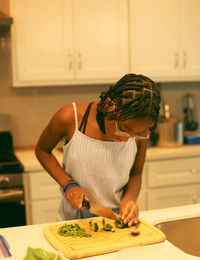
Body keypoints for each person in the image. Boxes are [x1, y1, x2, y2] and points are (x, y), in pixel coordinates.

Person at [35, 73, 161, 227]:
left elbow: (136, 173)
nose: (127, 139)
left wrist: (129, 200)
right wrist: (68, 184)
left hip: (115, 221)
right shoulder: (70, 117)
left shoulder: (139, 133)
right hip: (72, 220)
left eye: (136, 135)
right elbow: (42, 151)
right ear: (110, 105)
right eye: (123, 130)